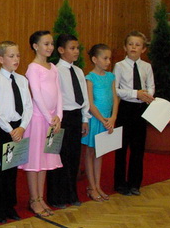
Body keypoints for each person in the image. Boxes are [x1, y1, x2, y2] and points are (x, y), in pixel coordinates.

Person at [20, 30, 63, 218]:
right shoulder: (33, 68)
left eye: (51, 43)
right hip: (38, 120)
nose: (50, 47)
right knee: (34, 160)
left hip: (52, 121)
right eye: (46, 44)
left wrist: (58, 116)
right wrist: (48, 117)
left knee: (45, 160)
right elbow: (36, 95)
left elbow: (59, 93)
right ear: (35, 46)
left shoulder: (53, 67)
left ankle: (40, 197)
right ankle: (33, 199)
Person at [0, 41, 31, 222]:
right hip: (2, 129)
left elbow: (28, 106)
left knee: (12, 170)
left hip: (18, 128)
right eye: (11, 56)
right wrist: (11, 130)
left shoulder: (22, 80)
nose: (16, 59)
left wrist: (22, 127)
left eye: (18, 55)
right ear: (0, 59)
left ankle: (9, 206)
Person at [48, 34, 90, 209]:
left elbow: (84, 97)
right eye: (72, 48)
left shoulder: (78, 71)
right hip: (61, 116)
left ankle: (72, 193)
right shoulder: (55, 71)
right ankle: (56, 196)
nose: (76, 51)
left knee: (74, 156)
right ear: (61, 50)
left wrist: (85, 118)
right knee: (59, 156)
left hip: (76, 116)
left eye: (77, 48)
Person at [113, 31, 155, 195]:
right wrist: (134, 93)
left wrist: (147, 95)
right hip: (125, 108)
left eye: (137, 45)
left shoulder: (146, 67)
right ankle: (120, 183)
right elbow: (115, 89)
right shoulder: (119, 66)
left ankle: (135, 183)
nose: (133, 47)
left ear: (143, 49)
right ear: (125, 47)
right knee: (121, 147)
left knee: (138, 147)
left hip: (140, 109)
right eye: (130, 44)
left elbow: (151, 86)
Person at [81, 43, 119, 201]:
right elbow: (90, 103)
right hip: (96, 120)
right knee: (90, 152)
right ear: (95, 59)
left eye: (109, 58)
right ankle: (91, 186)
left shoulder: (110, 77)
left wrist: (113, 117)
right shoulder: (90, 78)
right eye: (105, 58)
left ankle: (98, 185)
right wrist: (102, 119)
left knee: (100, 152)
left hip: (107, 120)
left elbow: (115, 98)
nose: (108, 62)